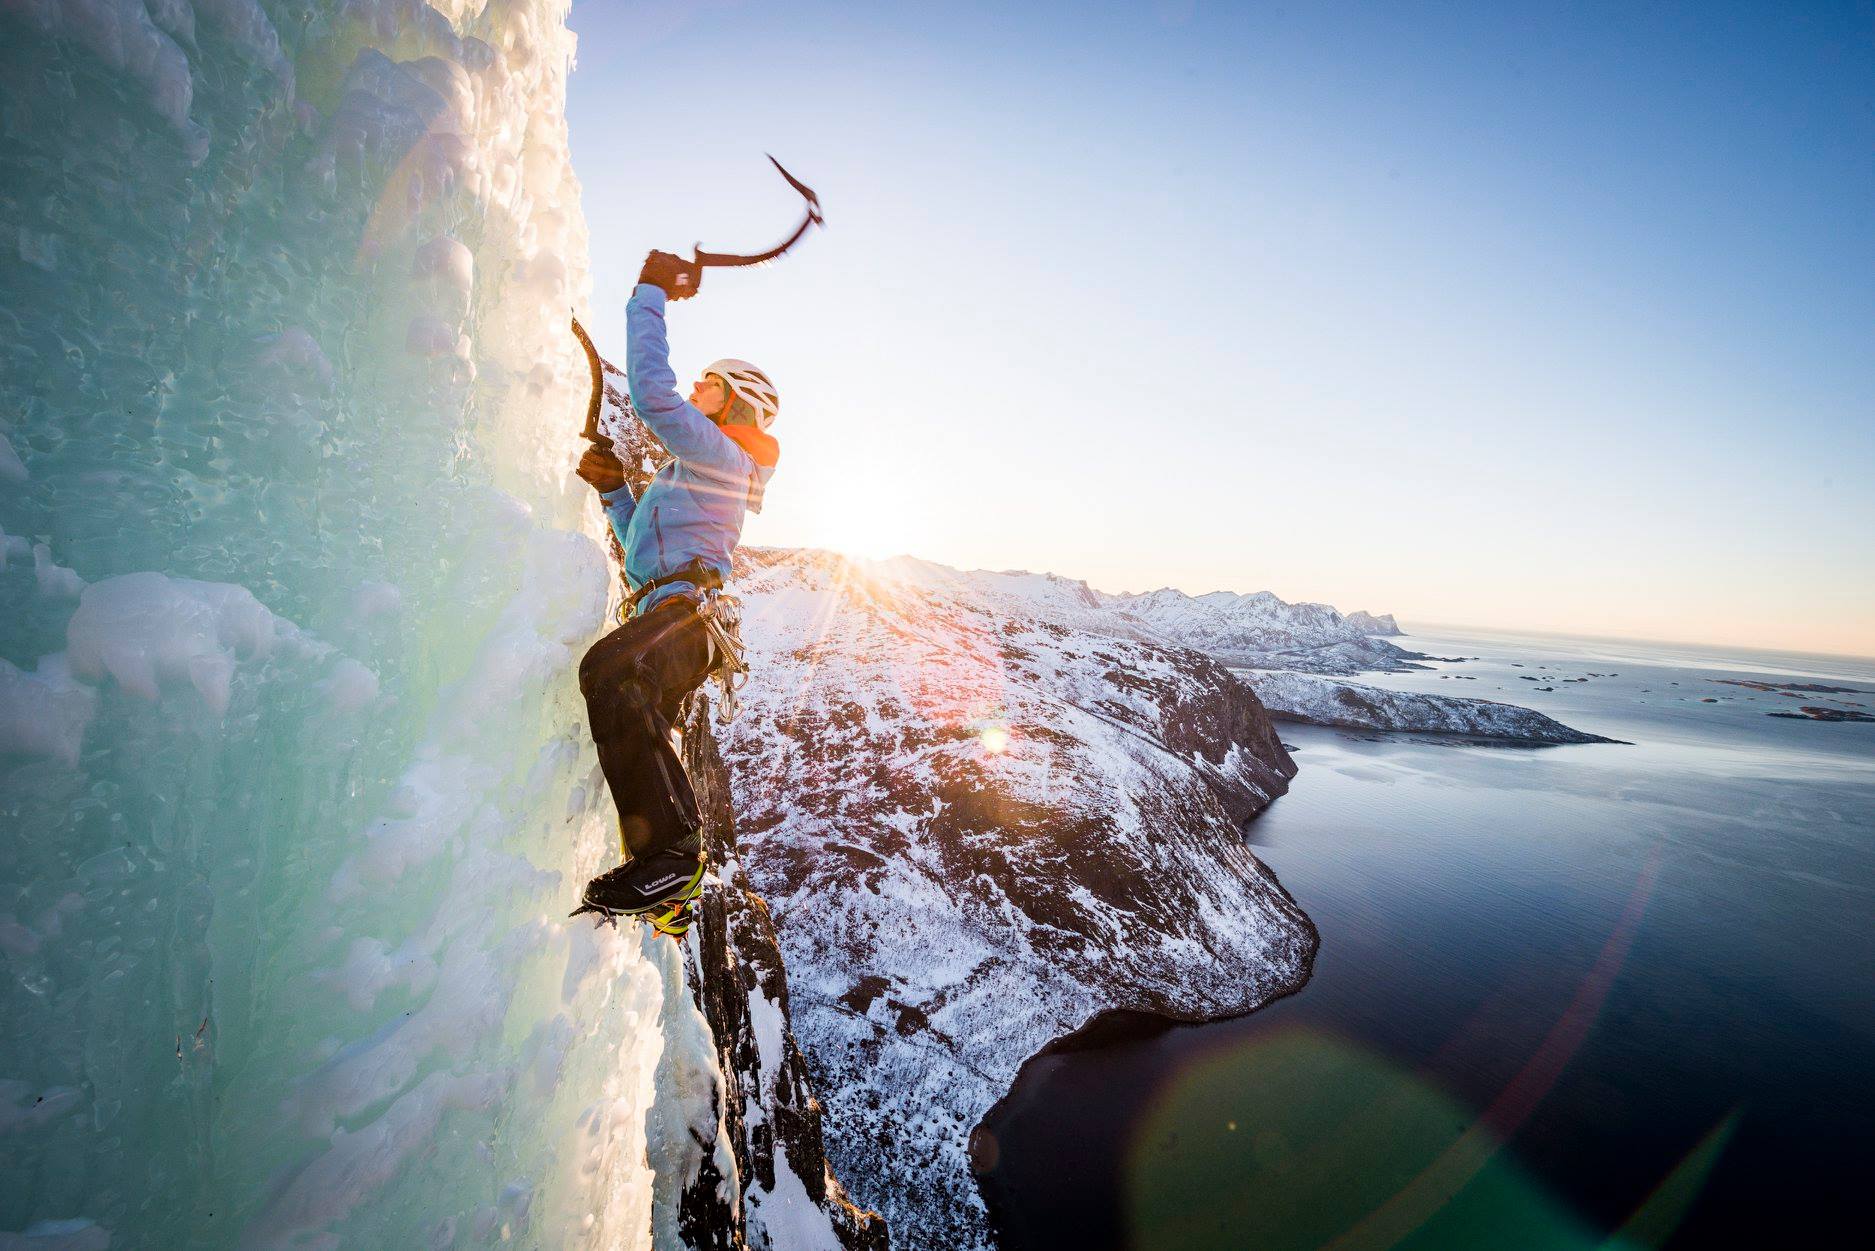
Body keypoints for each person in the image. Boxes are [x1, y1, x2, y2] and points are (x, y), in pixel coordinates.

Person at [571, 250, 781, 936]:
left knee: (611, 671)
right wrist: (613, 490)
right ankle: (663, 881)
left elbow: (653, 397)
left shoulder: (724, 454)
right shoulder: (688, 471)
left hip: (686, 619)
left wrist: (651, 294)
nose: (695, 391)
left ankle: (673, 856)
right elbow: (642, 562)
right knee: (631, 723)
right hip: (671, 610)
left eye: (708, 385)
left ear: (737, 401)